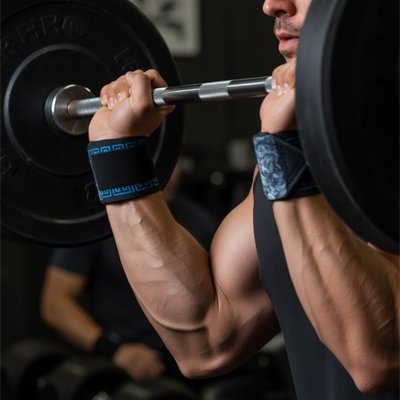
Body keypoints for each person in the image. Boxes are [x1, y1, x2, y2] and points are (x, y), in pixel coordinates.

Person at [84, 0, 399, 398]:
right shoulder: (285, 165)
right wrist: (118, 155)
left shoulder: (289, 157)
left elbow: (379, 360)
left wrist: (287, 151)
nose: (272, 5)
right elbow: (206, 339)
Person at [40, 165, 217, 382]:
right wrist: (115, 350)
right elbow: (55, 304)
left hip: (192, 365)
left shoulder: (200, 220)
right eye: (151, 162)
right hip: (123, 362)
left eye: (175, 161)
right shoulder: (98, 222)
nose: (170, 174)